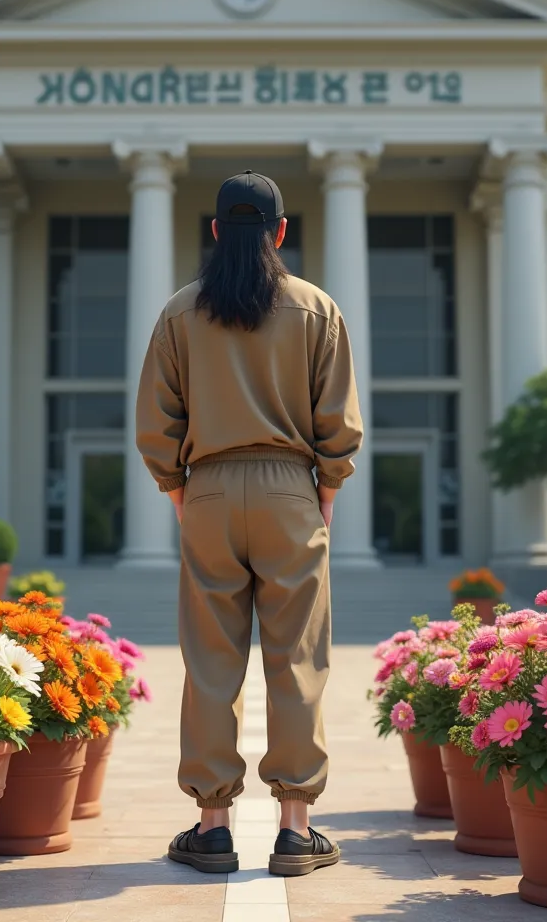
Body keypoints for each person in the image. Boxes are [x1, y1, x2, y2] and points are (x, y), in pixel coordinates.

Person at [136, 169, 363, 877]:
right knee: (297, 657)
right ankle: (295, 830)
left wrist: (182, 494)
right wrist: (321, 494)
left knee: (210, 661)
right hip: (290, 490)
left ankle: (212, 827)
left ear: (213, 232)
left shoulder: (179, 311)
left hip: (207, 488)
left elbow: (155, 424)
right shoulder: (316, 308)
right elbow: (339, 426)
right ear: (282, 232)